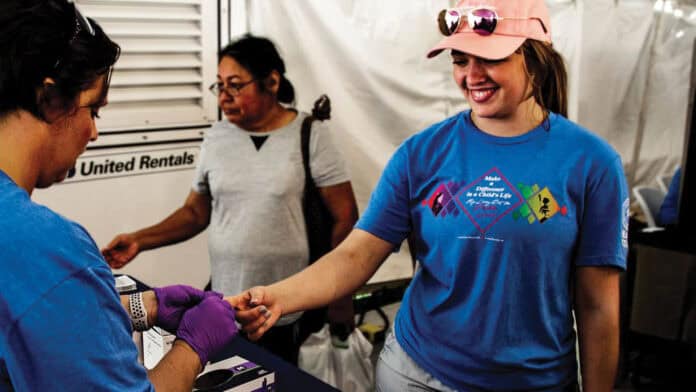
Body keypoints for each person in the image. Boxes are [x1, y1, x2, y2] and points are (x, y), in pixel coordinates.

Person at [231, 0, 629, 391]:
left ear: (536, 59)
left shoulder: (591, 164)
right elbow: (357, 255)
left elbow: (597, 307)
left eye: (488, 58)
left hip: (534, 381)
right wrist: (279, 297)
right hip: (417, 375)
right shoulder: (421, 154)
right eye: (460, 60)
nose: (472, 75)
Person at [0, 1, 250, 390]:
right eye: (93, 111)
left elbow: (31, 321)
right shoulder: (48, 248)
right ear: (50, 100)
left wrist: (137, 307)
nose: (93, 133)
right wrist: (193, 347)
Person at [102, 35, 359, 364]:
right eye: (219, 85)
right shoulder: (217, 137)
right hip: (224, 300)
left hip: (288, 308)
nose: (224, 96)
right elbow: (195, 213)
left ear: (272, 82)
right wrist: (140, 240)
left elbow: (345, 217)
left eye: (235, 85)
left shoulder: (310, 135)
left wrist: (340, 295)